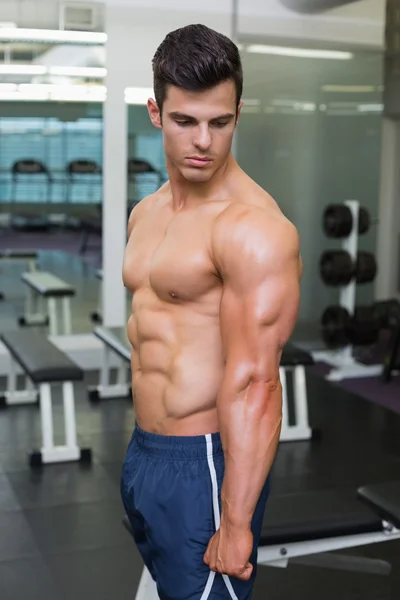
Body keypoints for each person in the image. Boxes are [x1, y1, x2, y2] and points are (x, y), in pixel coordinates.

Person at [121, 23, 302, 600]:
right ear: (156, 112)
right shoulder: (146, 213)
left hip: (204, 464)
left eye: (220, 122)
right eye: (185, 121)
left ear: (237, 114)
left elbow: (256, 383)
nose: (203, 140)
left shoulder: (252, 228)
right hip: (144, 453)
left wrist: (238, 521)